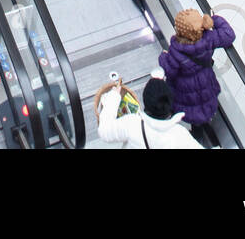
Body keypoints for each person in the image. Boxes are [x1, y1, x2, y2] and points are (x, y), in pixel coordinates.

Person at [158, 9, 236, 138]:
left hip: (185, 91)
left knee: (192, 113)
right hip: (206, 82)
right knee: (203, 109)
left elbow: (170, 71)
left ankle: (196, 133)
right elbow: (229, 35)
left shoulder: (176, 50)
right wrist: (214, 19)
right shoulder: (209, 39)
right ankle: (208, 132)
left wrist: (163, 57)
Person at [96, 70, 201, 150]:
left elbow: (104, 131)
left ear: (145, 102)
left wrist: (113, 98)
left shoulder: (132, 124)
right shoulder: (179, 134)